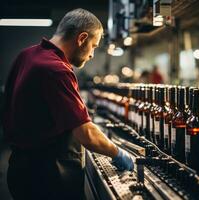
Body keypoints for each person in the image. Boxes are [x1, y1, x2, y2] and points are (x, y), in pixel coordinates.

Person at [2, 8, 133, 200]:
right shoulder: (56, 69)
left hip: (22, 170)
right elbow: (86, 134)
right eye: (94, 46)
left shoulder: (27, 55)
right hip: (48, 179)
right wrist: (118, 153)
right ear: (81, 38)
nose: (92, 55)